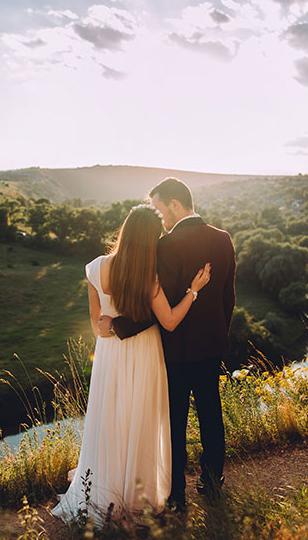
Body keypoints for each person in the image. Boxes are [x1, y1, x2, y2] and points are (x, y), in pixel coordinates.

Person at [51, 203, 211, 526]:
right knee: (140, 421)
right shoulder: (149, 278)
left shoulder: (95, 269)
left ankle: (103, 494)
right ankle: (136, 496)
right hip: (144, 355)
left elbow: (99, 327)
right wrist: (193, 292)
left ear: (125, 229)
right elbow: (168, 322)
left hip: (110, 357)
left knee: (110, 420)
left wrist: (112, 324)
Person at [99, 177, 236, 512]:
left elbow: (156, 309)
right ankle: (212, 482)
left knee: (173, 422)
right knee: (211, 414)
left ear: (175, 204)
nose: (160, 218)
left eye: (161, 209)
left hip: (174, 351)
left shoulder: (166, 246)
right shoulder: (222, 239)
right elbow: (228, 298)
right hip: (210, 348)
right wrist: (219, 336)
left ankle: (176, 493)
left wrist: (118, 327)